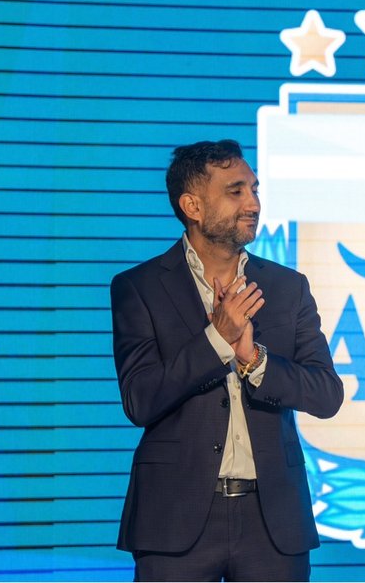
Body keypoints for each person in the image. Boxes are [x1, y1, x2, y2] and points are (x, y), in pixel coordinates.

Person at [111, 139, 343, 581]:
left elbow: (327, 394)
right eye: (235, 191)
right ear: (193, 206)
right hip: (174, 518)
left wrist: (253, 359)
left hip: (272, 521)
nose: (253, 203)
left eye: (254, 190)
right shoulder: (139, 287)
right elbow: (140, 399)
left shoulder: (287, 287)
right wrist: (217, 340)